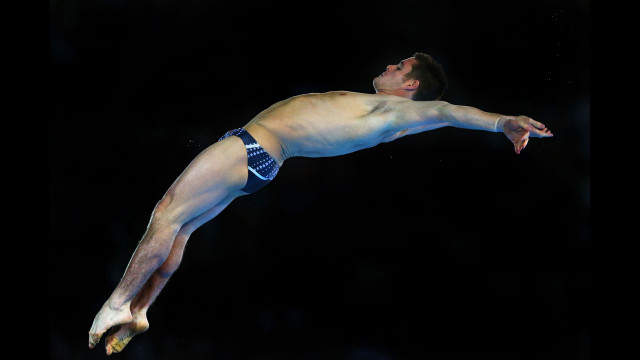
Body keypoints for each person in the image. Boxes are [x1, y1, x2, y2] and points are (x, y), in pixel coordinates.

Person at [88, 52, 553, 355]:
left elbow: (450, 111)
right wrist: (492, 123)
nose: (390, 65)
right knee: (183, 228)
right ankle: (143, 309)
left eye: (399, 66)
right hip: (262, 160)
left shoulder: (397, 112)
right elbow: (447, 119)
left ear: (410, 85)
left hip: (256, 147)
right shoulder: (395, 119)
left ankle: (117, 302)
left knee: (166, 212)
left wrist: (500, 122)